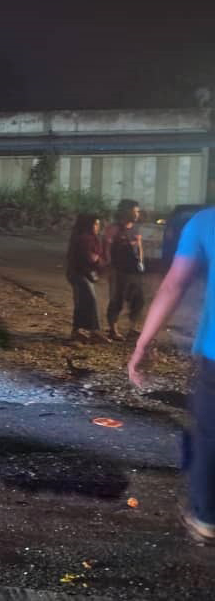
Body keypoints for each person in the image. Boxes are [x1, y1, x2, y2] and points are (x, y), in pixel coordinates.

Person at [128, 206, 214, 543]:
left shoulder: (206, 222)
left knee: (209, 436)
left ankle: (207, 518)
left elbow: (173, 286)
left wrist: (142, 345)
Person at [104, 199, 145, 340]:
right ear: (126, 211)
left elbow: (139, 247)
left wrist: (140, 262)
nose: (137, 214)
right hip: (118, 269)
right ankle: (113, 329)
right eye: (135, 211)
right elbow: (107, 248)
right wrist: (110, 266)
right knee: (117, 299)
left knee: (138, 299)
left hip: (133, 270)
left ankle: (133, 328)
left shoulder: (135, 228)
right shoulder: (114, 228)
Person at [66, 213, 108, 342]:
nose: (97, 227)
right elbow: (89, 257)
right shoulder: (85, 238)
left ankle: (77, 331)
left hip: (80, 273)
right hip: (80, 273)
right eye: (95, 224)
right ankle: (94, 331)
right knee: (90, 300)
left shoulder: (87, 237)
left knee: (82, 302)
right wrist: (98, 260)